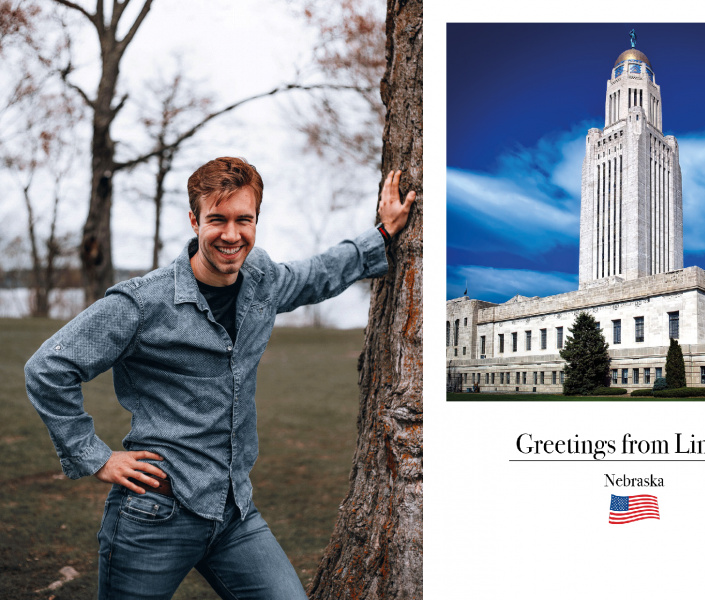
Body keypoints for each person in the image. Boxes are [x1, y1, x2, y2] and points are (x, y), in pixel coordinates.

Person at [25, 157, 416, 599]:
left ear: (256, 220)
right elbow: (48, 368)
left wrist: (382, 233)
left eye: (243, 220)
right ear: (195, 220)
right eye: (217, 219)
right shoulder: (141, 303)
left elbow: (315, 276)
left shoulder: (261, 279)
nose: (231, 235)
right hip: (155, 513)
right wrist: (94, 456)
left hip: (234, 514)